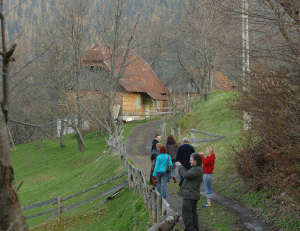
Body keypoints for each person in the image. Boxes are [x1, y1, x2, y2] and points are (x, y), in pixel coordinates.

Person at [176, 153, 203, 231]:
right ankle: (194, 229)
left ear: (195, 161)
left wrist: (180, 166)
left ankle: (189, 229)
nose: (189, 161)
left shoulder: (197, 170)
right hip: (191, 195)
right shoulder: (196, 169)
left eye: (191, 160)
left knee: (187, 214)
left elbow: (186, 174)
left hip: (190, 195)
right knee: (192, 213)